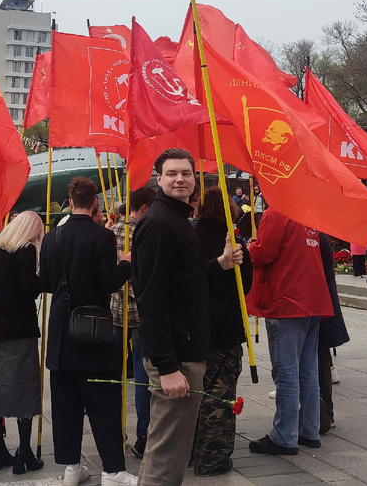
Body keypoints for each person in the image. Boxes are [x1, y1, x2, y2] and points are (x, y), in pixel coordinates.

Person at [133, 150, 241, 486]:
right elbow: (150, 299)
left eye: (186, 173)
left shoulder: (179, 220)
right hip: (176, 356)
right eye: (171, 173)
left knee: (171, 448)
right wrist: (167, 366)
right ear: (159, 179)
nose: (180, 179)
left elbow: (186, 283)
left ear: (195, 179)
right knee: (168, 452)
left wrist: (220, 263)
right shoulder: (158, 223)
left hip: (188, 349)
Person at [41, 177, 133, 486]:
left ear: (69, 202)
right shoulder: (103, 237)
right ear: (94, 202)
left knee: (65, 405)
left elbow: (45, 282)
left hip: (61, 334)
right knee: (104, 404)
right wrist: (126, 265)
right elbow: (109, 282)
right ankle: (113, 471)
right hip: (94, 333)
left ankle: (71, 467)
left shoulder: (52, 238)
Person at [244, 208, 330, 456]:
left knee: (287, 372)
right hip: (312, 299)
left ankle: (284, 435)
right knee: (308, 370)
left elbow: (263, 253)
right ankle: (309, 430)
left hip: (287, 299)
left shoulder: (278, 212)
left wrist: (251, 246)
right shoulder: (306, 212)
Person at [191, 187, 253, 476]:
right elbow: (248, 282)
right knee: (220, 395)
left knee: (194, 393)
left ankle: (190, 451)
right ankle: (212, 457)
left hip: (196, 330)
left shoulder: (191, 236)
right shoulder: (233, 240)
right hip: (227, 328)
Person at [0, 210, 46, 475]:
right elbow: (27, 289)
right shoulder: (26, 250)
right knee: (25, 390)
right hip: (20, 327)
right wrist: (44, 279)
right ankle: (25, 452)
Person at [110, 185, 156, 459]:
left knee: (114, 376)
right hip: (141, 313)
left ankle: (115, 432)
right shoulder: (147, 231)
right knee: (142, 377)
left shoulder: (112, 230)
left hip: (116, 310)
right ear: (145, 208)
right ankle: (143, 435)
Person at [316, 233, 348, 435]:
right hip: (324, 302)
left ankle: (324, 413)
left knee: (319, 361)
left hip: (319, 304)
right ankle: (325, 412)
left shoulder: (315, 235)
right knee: (322, 358)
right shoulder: (319, 233)